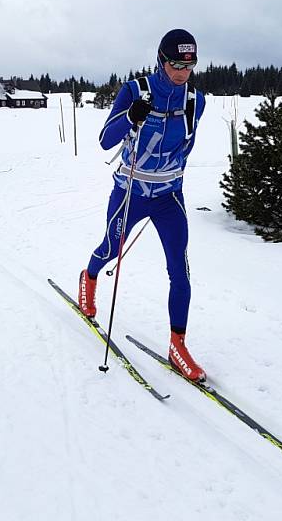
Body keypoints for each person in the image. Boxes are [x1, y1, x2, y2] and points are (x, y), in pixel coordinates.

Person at [78, 28, 207, 381]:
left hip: (168, 197)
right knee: (111, 249)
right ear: (161, 61)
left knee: (179, 269)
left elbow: (187, 144)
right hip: (131, 191)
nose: (182, 72)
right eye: (175, 65)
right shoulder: (135, 91)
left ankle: (177, 344)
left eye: (189, 65)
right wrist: (130, 117)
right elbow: (106, 141)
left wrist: (170, 177)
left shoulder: (195, 99)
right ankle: (88, 279)